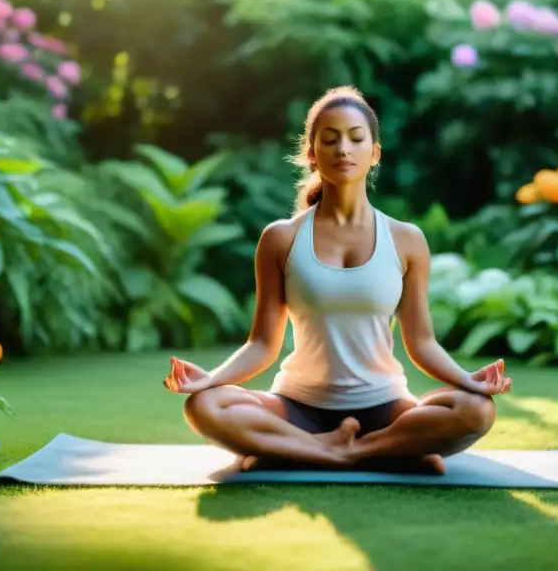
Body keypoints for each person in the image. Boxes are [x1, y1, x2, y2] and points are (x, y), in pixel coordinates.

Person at [164, 86, 510, 474]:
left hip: (384, 405)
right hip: (296, 406)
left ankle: (307, 451)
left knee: (476, 410)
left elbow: (422, 343)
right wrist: (210, 379)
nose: (343, 148)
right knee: (205, 405)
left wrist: (469, 380)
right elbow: (262, 344)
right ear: (312, 154)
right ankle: (367, 451)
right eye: (329, 139)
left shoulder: (406, 240)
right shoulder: (281, 238)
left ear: (374, 153)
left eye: (356, 138)